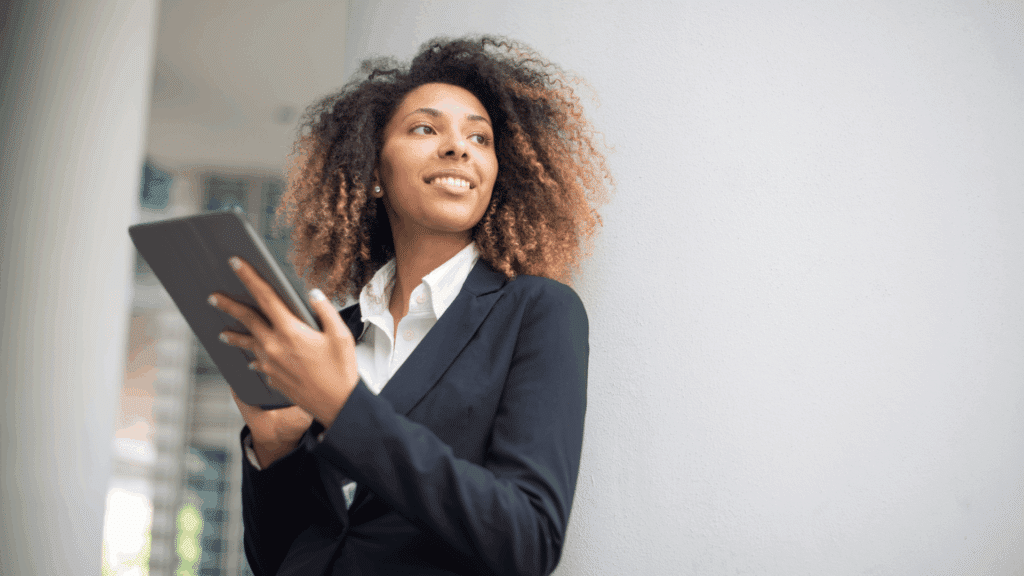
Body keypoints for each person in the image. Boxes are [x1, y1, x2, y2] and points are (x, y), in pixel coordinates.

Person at [208, 36, 611, 576]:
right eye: (425, 128)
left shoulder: (537, 313)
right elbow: (284, 558)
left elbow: (529, 541)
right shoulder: (334, 338)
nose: (457, 147)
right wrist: (275, 447)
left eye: (480, 137)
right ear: (373, 171)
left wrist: (345, 408)